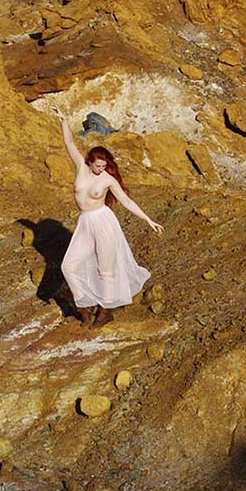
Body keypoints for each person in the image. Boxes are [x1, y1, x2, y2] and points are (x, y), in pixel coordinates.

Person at [53, 109, 163, 328]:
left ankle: (106, 311)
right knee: (69, 266)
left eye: (104, 166)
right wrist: (64, 120)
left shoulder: (108, 180)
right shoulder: (81, 167)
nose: (101, 169)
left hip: (103, 222)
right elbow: (69, 143)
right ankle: (85, 306)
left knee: (106, 269)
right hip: (85, 222)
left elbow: (126, 201)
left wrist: (148, 220)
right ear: (90, 162)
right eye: (98, 166)